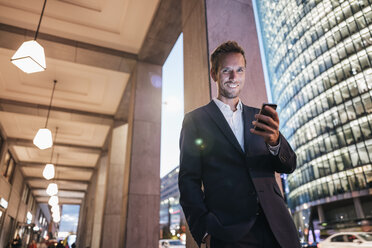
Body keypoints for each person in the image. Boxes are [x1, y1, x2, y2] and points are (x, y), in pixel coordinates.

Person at [178, 41, 300, 248]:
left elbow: (288, 165)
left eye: (239, 70)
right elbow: (188, 181)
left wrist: (275, 142)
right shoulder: (195, 120)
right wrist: (205, 230)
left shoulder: (260, 116)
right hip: (229, 233)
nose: (234, 77)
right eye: (227, 71)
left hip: (277, 228)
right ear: (214, 74)